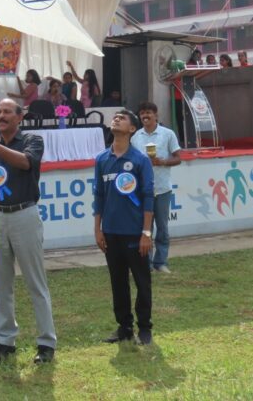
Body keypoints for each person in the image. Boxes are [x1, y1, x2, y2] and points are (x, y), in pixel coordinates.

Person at [0, 98, 57, 365]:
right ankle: (5, 341)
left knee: (35, 282)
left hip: (24, 214)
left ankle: (46, 342)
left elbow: (26, 163)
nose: (1, 116)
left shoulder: (31, 139)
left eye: (7, 112)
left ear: (20, 117)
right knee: (2, 283)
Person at [93, 109, 155, 345]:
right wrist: (98, 229)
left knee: (142, 281)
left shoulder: (140, 160)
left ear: (132, 129)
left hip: (135, 233)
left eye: (123, 118)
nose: (117, 118)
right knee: (117, 282)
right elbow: (99, 195)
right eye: (115, 117)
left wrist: (146, 233)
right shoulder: (102, 159)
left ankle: (145, 327)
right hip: (111, 233)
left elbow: (148, 196)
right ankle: (124, 327)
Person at [131, 102, 181, 273]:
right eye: (142, 113)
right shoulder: (135, 137)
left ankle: (161, 262)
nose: (145, 116)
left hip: (162, 188)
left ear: (156, 115)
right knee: (145, 228)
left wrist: (163, 162)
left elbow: (178, 158)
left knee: (162, 228)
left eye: (148, 113)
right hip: (143, 190)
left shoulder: (167, 134)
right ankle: (147, 263)